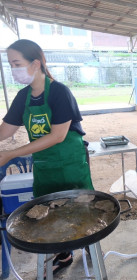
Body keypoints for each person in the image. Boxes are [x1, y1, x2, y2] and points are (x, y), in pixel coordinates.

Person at [0, 39, 94, 275]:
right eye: (10, 64)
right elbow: (6, 130)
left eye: (16, 63)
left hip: (70, 164)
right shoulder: (23, 97)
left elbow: (57, 136)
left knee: (82, 209)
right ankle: (63, 254)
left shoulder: (60, 92)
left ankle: (90, 246)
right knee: (50, 214)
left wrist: (10, 154)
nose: (13, 69)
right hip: (44, 167)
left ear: (36, 63)